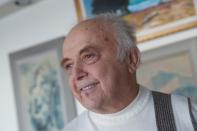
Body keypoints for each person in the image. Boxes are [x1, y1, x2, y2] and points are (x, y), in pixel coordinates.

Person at [61, 13, 197, 131]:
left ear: (131, 58)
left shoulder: (189, 116)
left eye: (88, 56)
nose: (77, 74)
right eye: (69, 65)